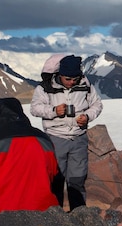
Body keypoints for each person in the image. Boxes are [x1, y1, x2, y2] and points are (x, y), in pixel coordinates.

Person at [30, 54, 103, 210]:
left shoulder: (86, 85)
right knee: (56, 179)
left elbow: (96, 104)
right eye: (67, 79)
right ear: (60, 75)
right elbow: (35, 109)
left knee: (77, 179)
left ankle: (79, 215)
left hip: (78, 138)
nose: (71, 82)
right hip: (55, 138)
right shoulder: (45, 88)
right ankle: (55, 216)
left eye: (74, 79)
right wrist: (54, 110)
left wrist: (88, 116)